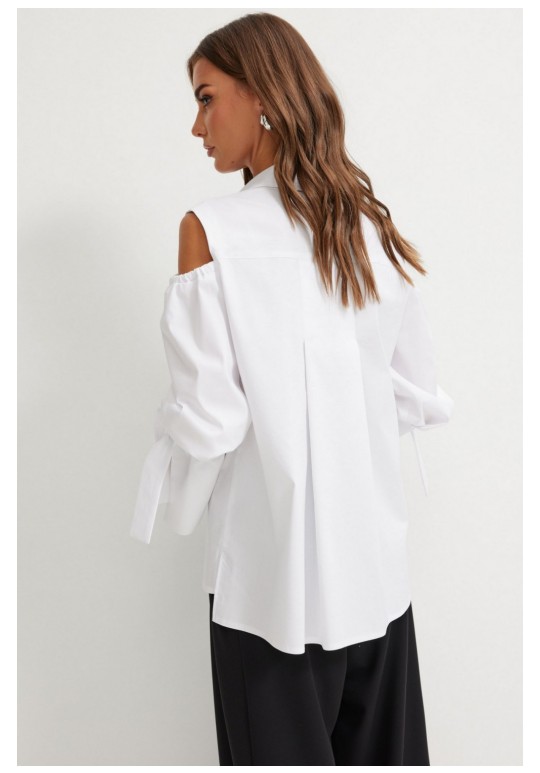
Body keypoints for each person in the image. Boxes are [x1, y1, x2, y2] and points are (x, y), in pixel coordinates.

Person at [130, 11, 454, 766]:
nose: (197, 126)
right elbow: (416, 392)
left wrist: (173, 496)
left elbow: (211, 422)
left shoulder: (209, 229)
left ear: (262, 95)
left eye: (207, 98)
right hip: (376, 582)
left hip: (268, 592)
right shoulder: (366, 225)